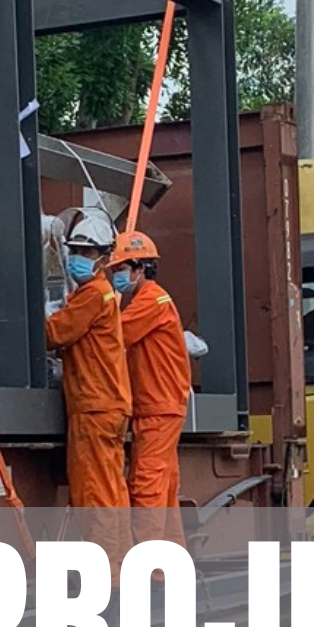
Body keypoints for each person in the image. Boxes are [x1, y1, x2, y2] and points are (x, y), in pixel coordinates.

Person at [45, 209, 131, 565]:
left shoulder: (93, 294)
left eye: (87, 252)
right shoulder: (102, 294)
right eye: (76, 251)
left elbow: (54, 333)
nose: (79, 258)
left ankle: (108, 576)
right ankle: (120, 570)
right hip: (106, 406)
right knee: (112, 494)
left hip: (94, 408)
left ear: (104, 258)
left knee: (95, 496)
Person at [110, 229, 192, 544]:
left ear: (140, 268)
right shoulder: (149, 300)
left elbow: (114, 335)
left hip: (158, 407)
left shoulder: (151, 300)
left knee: (147, 488)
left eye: (120, 269)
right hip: (159, 406)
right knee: (164, 491)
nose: (116, 276)